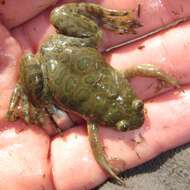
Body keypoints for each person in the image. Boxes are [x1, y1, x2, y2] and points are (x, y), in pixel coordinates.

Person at [0, 0, 190, 189]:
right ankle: (23, 88)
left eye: (137, 105)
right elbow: (143, 69)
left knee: (68, 26)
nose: (139, 109)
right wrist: (166, 77)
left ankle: (24, 88)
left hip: (67, 47)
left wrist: (167, 77)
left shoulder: (95, 119)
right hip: (55, 62)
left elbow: (142, 69)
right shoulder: (94, 120)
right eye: (138, 105)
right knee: (41, 98)